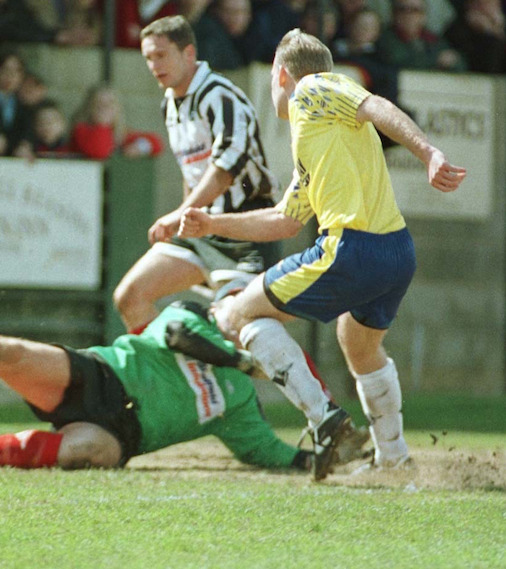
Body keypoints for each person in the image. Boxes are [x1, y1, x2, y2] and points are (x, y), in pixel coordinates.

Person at [178, 28, 467, 476]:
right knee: (358, 344)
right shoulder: (318, 136)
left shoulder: (313, 88)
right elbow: (284, 220)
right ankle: (394, 459)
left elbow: (378, 106)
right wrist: (212, 222)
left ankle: (326, 420)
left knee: (239, 314)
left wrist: (428, 152)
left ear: (280, 72)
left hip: (349, 248)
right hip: (395, 253)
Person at [0, 297, 354, 473]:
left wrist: (319, 460)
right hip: (101, 376)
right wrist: (241, 362)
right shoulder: (194, 318)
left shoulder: (243, 406)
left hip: (124, 434)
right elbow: (175, 336)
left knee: (89, 451)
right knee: (9, 354)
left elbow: (263, 451)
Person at [113, 15, 280, 335]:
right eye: (148, 57)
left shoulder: (219, 95)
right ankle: (176, 380)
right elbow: (192, 171)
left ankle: (313, 388)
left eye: (161, 55)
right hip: (202, 224)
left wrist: (179, 214)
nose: (153, 65)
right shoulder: (170, 104)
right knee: (129, 298)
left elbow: (225, 171)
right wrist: (187, 216)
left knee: (244, 333)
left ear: (188, 53)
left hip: (247, 227)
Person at [376, 0, 465, 71]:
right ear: (393, 14)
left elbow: (458, 64)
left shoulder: (433, 39)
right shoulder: (383, 38)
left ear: (424, 16)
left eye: (415, 10)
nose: (408, 15)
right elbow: (398, 63)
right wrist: (436, 61)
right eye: (402, 9)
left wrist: (453, 61)